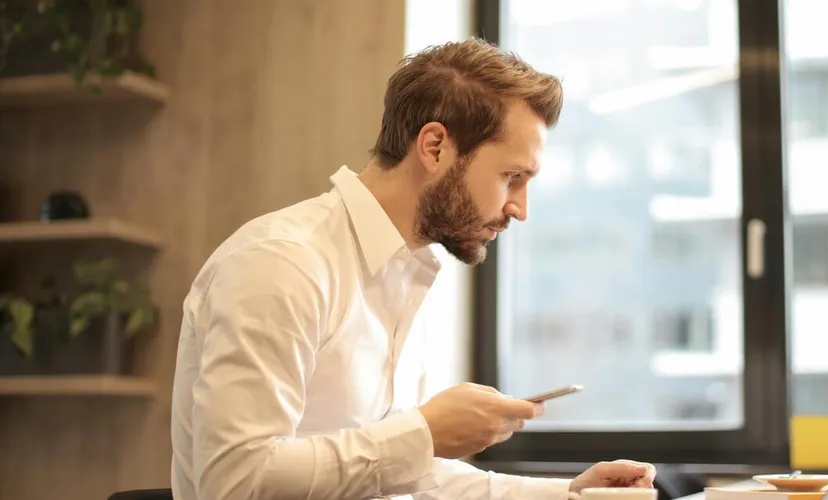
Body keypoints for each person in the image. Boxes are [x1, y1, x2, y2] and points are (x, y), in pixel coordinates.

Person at [169, 38, 656, 500]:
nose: (520, 209)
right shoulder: (282, 263)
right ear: (435, 147)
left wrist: (570, 493)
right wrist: (423, 433)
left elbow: (405, 478)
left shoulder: (403, 275)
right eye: (511, 177)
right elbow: (233, 483)